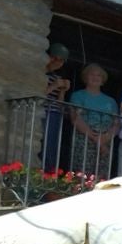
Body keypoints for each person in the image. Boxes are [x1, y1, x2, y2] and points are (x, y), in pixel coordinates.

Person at [67, 61, 118, 173]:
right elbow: (76, 118)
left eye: (99, 75)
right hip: (85, 138)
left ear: (103, 79)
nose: (96, 77)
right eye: (92, 74)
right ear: (85, 77)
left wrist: (106, 138)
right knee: (82, 174)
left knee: (102, 177)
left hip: (106, 139)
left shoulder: (111, 101)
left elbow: (117, 123)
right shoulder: (78, 95)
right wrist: (98, 140)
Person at [40, 43, 72, 171]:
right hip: (42, 112)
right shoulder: (39, 74)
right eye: (55, 58)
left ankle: (49, 171)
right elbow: (37, 94)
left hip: (54, 113)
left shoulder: (57, 76)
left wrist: (63, 90)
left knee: (51, 145)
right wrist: (53, 86)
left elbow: (60, 103)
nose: (58, 63)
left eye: (62, 60)